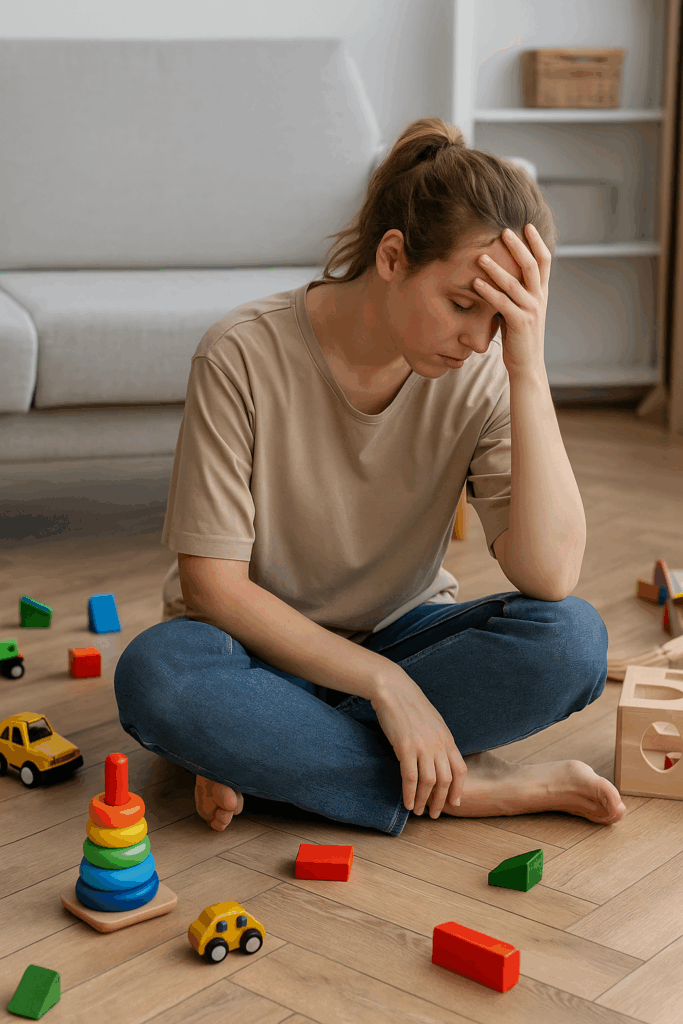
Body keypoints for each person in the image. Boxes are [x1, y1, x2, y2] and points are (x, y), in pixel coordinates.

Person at [114, 116, 627, 837]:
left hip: (405, 635)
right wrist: (385, 688)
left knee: (571, 641)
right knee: (157, 679)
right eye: (460, 305)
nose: (478, 338)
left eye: (500, 320)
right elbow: (212, 586)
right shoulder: (239, 354)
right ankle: (461, 789)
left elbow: (548, 574)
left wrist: (527, 367)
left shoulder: (484, 372)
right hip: (247, 650)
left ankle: (270, 755)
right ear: (392, 257)